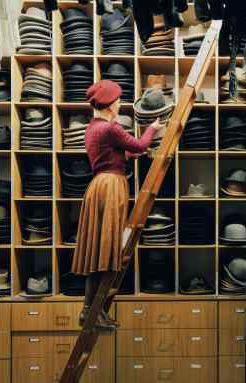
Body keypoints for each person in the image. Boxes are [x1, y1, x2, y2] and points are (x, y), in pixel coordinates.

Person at [72, 79, 158, 328]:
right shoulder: (110, 128)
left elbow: (121, 153)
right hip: (111, 187)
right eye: (118, 101)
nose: (120, 105)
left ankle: (90, 310)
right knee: (107, 249)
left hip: (99, 185)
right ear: (110, 105)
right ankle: (91, 311)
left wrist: (134, 152)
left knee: (100, 250)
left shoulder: (93, 128)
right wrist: (153, 127)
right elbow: (139, 144)